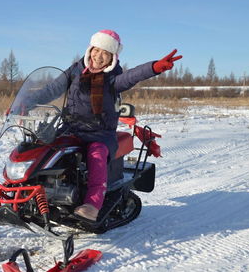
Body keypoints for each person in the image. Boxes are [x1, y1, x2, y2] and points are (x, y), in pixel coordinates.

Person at [42, 29, 182, 221]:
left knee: (96, 155)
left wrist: (154, 67)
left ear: (112, 58)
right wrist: (26, 102)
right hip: (70, 128)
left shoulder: (113, 79)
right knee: (45, 148)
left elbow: (133, 76)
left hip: (99, 133)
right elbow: (53, 89)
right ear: (90, 50)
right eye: (96, 50)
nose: (99, 56)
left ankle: (93, 204)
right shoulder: (75, 70)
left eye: (105, 53)